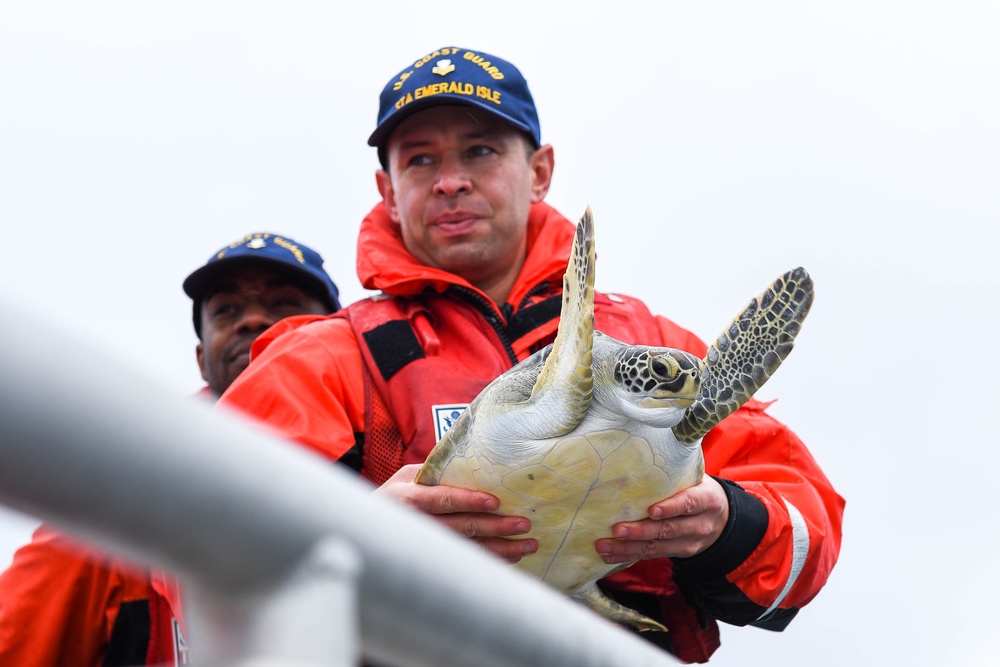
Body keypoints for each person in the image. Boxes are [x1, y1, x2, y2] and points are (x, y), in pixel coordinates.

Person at [218, 47, 845, 663]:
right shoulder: (326, 356)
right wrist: (361, 531)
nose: (450, 180)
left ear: (540, 170)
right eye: (420, 160)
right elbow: (206, 525)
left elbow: (806, 526)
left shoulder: (652, 343)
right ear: (387, 189)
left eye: (479, 151)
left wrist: (728, 521)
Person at [0, 232, 341, 666]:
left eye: (283, 303)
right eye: (226, 310)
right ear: (201, 358)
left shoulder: (394, 459)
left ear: (338, 339)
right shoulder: (112, 506)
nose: (252, 320)